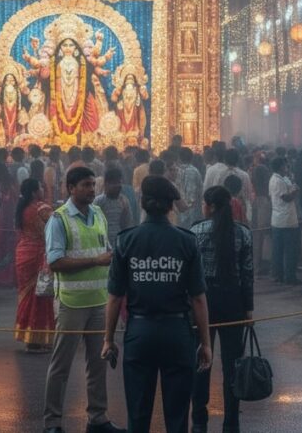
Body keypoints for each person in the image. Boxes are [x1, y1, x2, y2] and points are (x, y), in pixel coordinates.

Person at [103, 175, 212, 433]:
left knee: (138, 416)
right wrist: (205, 343)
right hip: (177, 334)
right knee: (177, 417)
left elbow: (115, 297)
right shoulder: (186, 241)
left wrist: (108, 339)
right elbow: (198, 297)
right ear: (170, 206)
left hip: (139, 333)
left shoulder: (126, 241)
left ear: (142, 204)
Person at [43, 166, 125, 433]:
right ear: (70, 188)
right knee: (61, 365)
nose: (91, 189)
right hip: (72, 302)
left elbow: (106, 249)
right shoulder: (59, 219)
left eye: (93, 184)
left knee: (98, 362)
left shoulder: (98, 213)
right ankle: (53, 421)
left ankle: (98, 417)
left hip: (100, 300)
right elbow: (54, 261)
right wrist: (95, 260)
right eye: (86, 185)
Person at [190, 186, 253, 433]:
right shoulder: (243, 233)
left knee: (201, 359)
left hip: (202, 301)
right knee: (232, 364)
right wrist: (249, 310)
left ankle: (198, 419)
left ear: (211, 206)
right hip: (233, 301)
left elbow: (190, 275)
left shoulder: (195, 232)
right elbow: (248, 274)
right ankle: (231, 421)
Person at [14, 178, 56, 352]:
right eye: (40, 186)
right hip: (38, 254)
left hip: (23, 254)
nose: (43, 188)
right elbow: (57, 226)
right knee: (41, 297)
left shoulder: (21, 208)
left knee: (28, 296)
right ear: (33, 192)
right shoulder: (42, 209)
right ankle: (40, 339)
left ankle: (29, 336)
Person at [269, 157, 300, 284]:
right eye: (286, 166)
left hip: (282, 219)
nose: (287, 168)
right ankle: (289, 277)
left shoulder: (283, 178)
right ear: (281, 166)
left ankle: (280, 275)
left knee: (280, 249)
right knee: (288, 250)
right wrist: (295, 192)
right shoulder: (277, 180)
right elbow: (286, 198)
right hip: (284, 220)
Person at [0, 162, 18, 288]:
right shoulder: (9, 185)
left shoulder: (1, 186)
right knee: (4, 247)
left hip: (1, 220)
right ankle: (3, 277)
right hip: (7, 219)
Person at [93, 167, 134, 247]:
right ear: (106, 184)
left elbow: (128, 224)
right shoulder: (99, 201)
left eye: (119, 182)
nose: (117, 186)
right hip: (102, 242)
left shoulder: (124, 201)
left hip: (119, 241)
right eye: (114, 183)